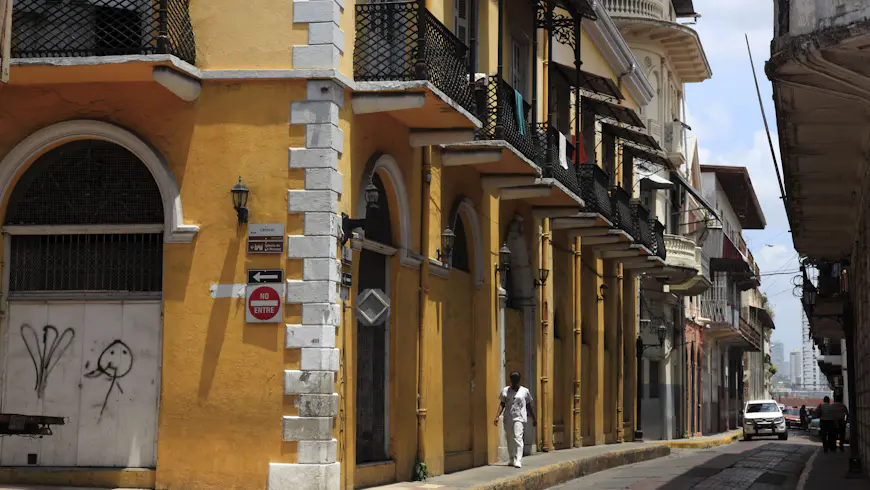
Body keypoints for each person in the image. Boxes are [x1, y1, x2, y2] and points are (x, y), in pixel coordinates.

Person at [494, 371, 536, 468]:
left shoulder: (525, 391)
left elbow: (529, 406)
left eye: (516, 381)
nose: (514, 383)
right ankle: (512, 458)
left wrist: (533, 418)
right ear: (511, 380)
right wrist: (497, 416)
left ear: (518, 381)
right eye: (513, 381)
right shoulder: (505, 390)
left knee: (518, 437)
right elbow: (502, 404)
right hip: (508, 417)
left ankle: (518, 460)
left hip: (520, 417)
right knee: (510, 438)